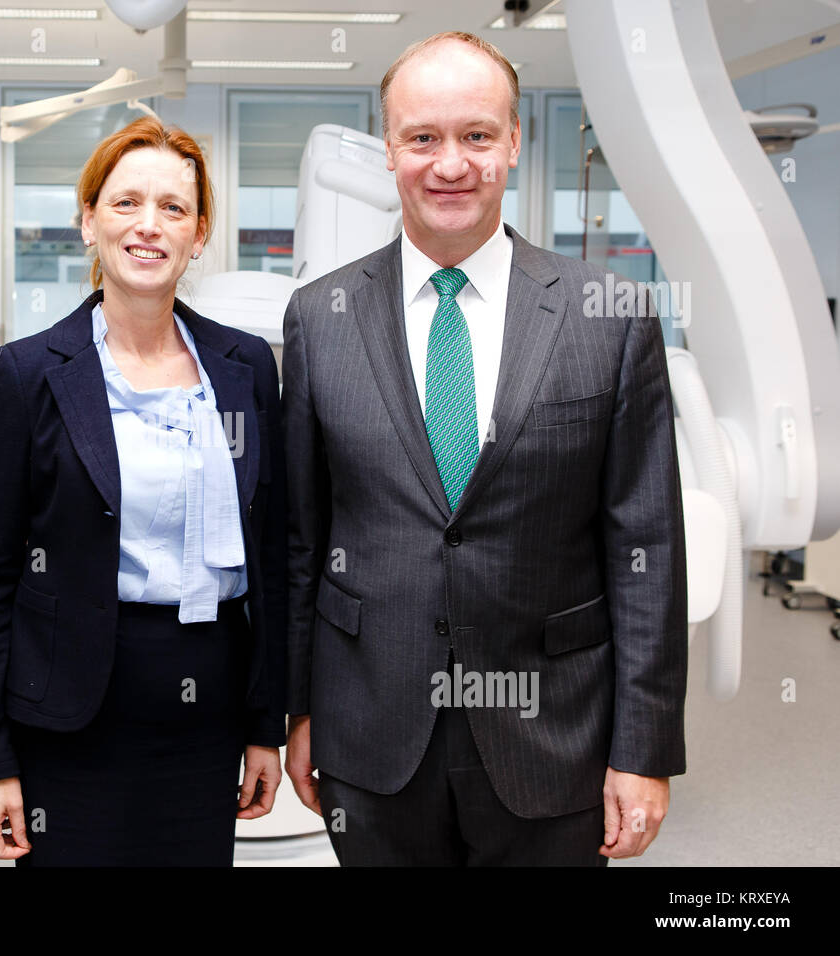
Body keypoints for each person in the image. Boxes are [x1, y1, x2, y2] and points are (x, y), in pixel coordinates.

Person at [283, 32, 687, 865]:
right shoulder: (319, 319)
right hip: (372, 726)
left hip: (554, 731)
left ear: (512, 143)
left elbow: (646, 544)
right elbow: (300, 537)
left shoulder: (607, 313)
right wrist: (296, 711)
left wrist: (642, 748)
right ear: (389, 147)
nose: (450, 164)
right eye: (422, 137)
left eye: (475, 135)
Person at [0, 117, 287, 866]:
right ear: (88, 220)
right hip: (70, 716)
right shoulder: (26, 375)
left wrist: (263, 722)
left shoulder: (243, 370)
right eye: (125, 203)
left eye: (173, 208)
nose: (149, 226)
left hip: (206, 710)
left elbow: (269, 552)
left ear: (199, 233)